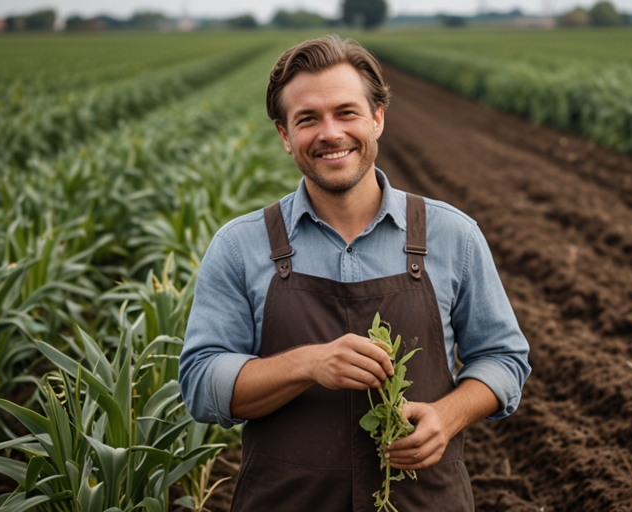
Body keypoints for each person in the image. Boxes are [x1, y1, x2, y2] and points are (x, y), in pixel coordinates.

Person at [178, 34, 531, 511]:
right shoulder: (241, 247)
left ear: (377, 119)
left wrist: (448, 416)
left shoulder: (453, 236)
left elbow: (504, 358)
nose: (330, 133)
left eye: (346, 112)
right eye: (307, 119)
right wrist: (309, 364)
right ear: (285, 135)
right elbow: (201, 383)